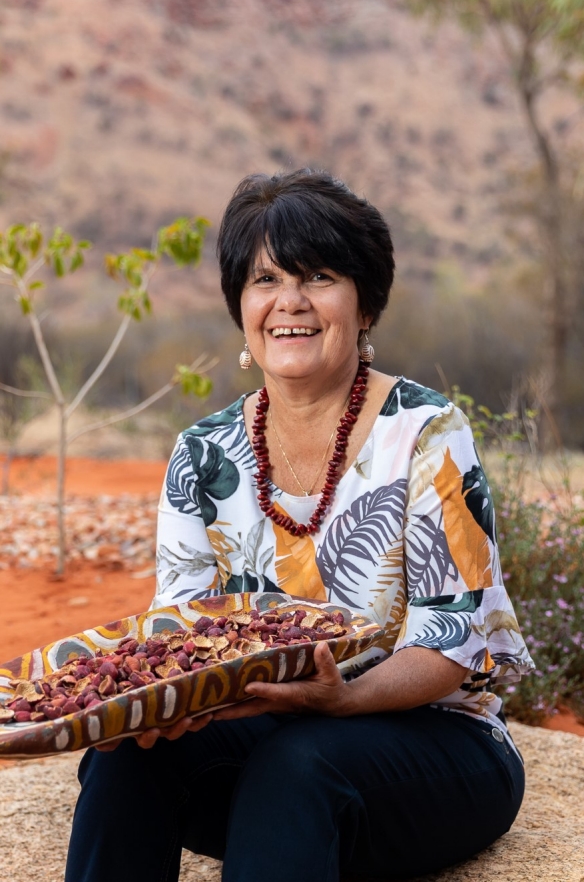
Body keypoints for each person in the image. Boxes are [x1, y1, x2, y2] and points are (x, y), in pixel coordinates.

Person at [65, 170, 534, 882]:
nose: (290, 302)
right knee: (128, 754)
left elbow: (455, 638)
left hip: (434, 745)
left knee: (297, 767)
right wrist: (164, 701)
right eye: (265, 280)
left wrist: (344, 698)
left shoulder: (427, 433)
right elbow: (185, 629)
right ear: (241, 306)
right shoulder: (203, 452)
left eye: (318, 276)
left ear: (365, 303)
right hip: (267, 745)